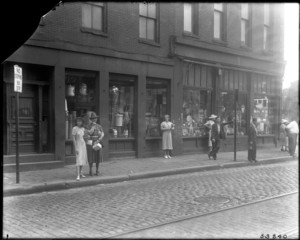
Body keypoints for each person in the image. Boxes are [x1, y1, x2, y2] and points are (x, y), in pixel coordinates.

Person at [85, 112, 104, 176]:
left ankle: (97, 170)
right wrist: (93, 127)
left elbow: (102, 134)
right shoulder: (88, 126)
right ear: (91, 119)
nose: (94, 120)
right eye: (93, 118)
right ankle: (90, 170)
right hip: (90, 142)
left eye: (95, 118)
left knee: (97, 157)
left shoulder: (99, 126)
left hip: (97, 142)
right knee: (91, 157)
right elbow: (88, 133)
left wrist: (99, 139)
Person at [72, 117, 88, 181]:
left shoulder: (83, 129)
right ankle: (77, 175)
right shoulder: (74, 128)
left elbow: (85, 137)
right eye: (78, 121)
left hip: (83, 144)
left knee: (82, 158)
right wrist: (75, 147)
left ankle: (81, 172)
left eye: (80, 121)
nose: (79, 122)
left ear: (82, 122)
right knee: (78, 159)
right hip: (78, 145)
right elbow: (73, 139)